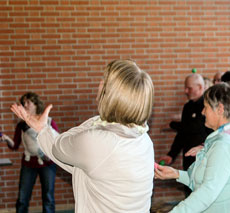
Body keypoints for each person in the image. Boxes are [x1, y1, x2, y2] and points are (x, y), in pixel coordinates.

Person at [11, 59, 154, 213]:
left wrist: (43, 129)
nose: (99, 83)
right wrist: (44, 130)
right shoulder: (144, 140)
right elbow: (81, 166)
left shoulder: (97, 141)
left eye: (104, 81)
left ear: (111, 95)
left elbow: (58, 148)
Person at [155, 82, 230, 213]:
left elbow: (208, 191)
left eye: (206, 107)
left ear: (220, 109)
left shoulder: (226, 145)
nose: (202, 112)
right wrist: (177, 174)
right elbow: (210, 179)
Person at [8, 92, 59, 213]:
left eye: (28, 102)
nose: (25, 105)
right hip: (28, 164)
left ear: (36, 104)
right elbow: (14, 145)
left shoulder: (49, 121)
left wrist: (50, 156)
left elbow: (57, 143)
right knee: (22, 198)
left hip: (47, 164)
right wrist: (6, 138)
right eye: (23, 102)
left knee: (48, 198)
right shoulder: (21, 125)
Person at [159, 74, 212, 171]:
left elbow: (195, 126)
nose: (185, 91)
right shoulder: (188, 106)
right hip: (188, 158)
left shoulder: (208, 105)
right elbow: (182, 133)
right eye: (185, 88)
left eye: (189, 88)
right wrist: (171, 154)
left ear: (200, 87)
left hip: (203, 159)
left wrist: (173, 124)